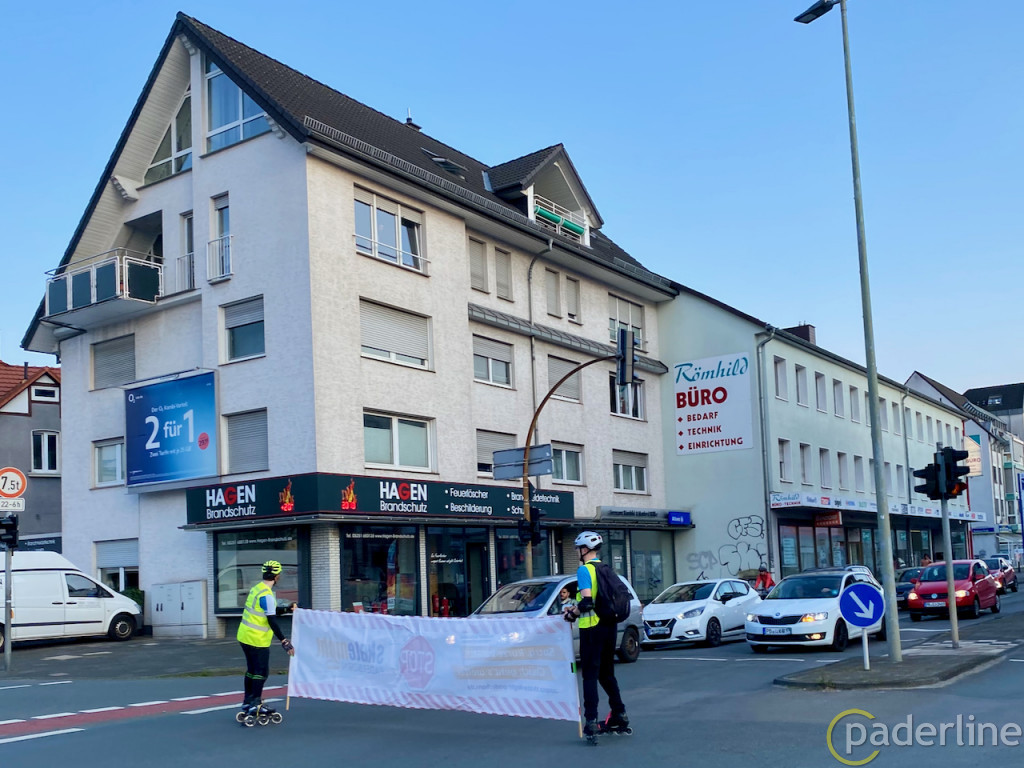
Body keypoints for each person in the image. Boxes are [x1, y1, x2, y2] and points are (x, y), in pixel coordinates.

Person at [563, 531, 627, 743]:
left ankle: (591, 721)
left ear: (584, 550)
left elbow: (587, 602)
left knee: (590, 675)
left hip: (592, 628)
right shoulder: (606, 569)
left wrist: (572, 614)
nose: (577, 552)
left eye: (578, 549)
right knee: (607, 673)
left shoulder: (585, 570)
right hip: (609, 627)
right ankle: (619, 713)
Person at [236, 560, 296, 719]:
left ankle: (248, 702)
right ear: (277, 576)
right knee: (261, 671)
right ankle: (256, 704)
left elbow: (267, 611)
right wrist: (284, 641)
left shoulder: (257, 589)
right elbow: (271, 620)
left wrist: (286, 608)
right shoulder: (267, 595)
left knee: (251, 670)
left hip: (244, 635)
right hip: (257, 639)